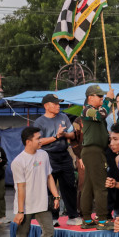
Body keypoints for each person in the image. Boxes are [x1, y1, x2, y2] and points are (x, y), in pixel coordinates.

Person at [13, 127, 66, 237]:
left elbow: (49, 176)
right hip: (25, 205)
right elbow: (20, 187)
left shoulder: (44, 154)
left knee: (49, 231)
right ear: (28, 141)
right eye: (38, 138)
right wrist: (20, 211)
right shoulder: (19, 161)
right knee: (22, 236)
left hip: (42, 203)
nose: (41, 140)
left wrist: (56, 196)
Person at [35, 93, 82, 225]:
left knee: (69, 185)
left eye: (58, 103)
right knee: (50, 188)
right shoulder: (39, 122)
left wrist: (64, 134)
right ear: (46, 106)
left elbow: (72, 135)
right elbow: (38, 141)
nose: (58, 106)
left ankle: (72, 215)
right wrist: (56, 136)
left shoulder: (63, 116)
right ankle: (53, 217)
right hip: (48, 156)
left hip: (64, 154)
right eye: (55, 104)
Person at [80, 84, 115, 229]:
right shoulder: (88, 110)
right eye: (99, 96)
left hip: (94, 151)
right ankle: (102, 219)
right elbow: (101, 115)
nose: (102, 98)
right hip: (93, 151)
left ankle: (87, 219)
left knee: (88, 187)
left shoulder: (93, 110)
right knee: (101, 186)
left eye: (102, 96)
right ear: (90, 97)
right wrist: (109, 100)